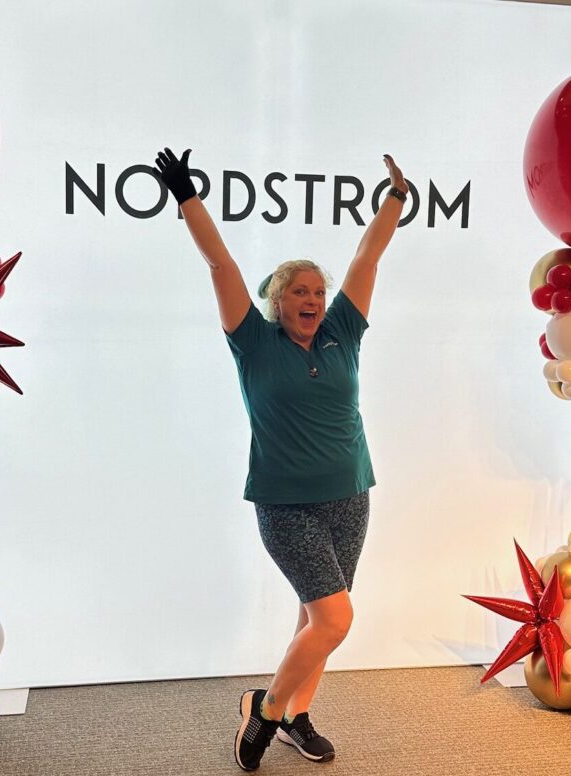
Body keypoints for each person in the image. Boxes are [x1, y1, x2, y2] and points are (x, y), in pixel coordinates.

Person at [152, 147, 406, 771]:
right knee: (337, 617)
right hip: (285, 501)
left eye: (318, 290)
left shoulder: (344, 330)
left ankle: (295, 715)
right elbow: (221, 261)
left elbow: (366, 256)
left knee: (315, 617)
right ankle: (262, 711)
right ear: (276, 300)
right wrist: (187, 197)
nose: (313, 298)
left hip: (350, 493)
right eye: (299, 290)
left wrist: (395, 199)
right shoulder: (254, 342)